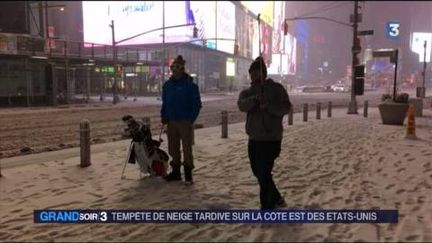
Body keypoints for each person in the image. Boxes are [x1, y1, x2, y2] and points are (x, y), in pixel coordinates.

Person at [237, 56, 292, 210]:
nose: (253, 76)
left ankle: (266, 206)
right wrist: (254, 100)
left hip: (271, 138)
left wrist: (268, 106)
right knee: (258, 172)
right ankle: (277, 198)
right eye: (251, 73)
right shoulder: (248, 92)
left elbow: (286, 108)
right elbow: (241, 106)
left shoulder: (276, 89)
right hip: (254, 138)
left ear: (264, 73)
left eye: (256, 73)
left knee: (264, 171)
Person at [161, 55, 202, 185]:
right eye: (173, 67)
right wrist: (164, 115)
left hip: (185, 121)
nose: (175, 70)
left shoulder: (191, 86)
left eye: (178, 67)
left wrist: (190, 119)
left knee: (187, 149)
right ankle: (176, 172)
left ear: (183, 69)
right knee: (173, 148)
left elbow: (197, 104)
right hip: (171, 121)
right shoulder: (167, 86)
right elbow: (165, 103)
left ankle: (188, 174)